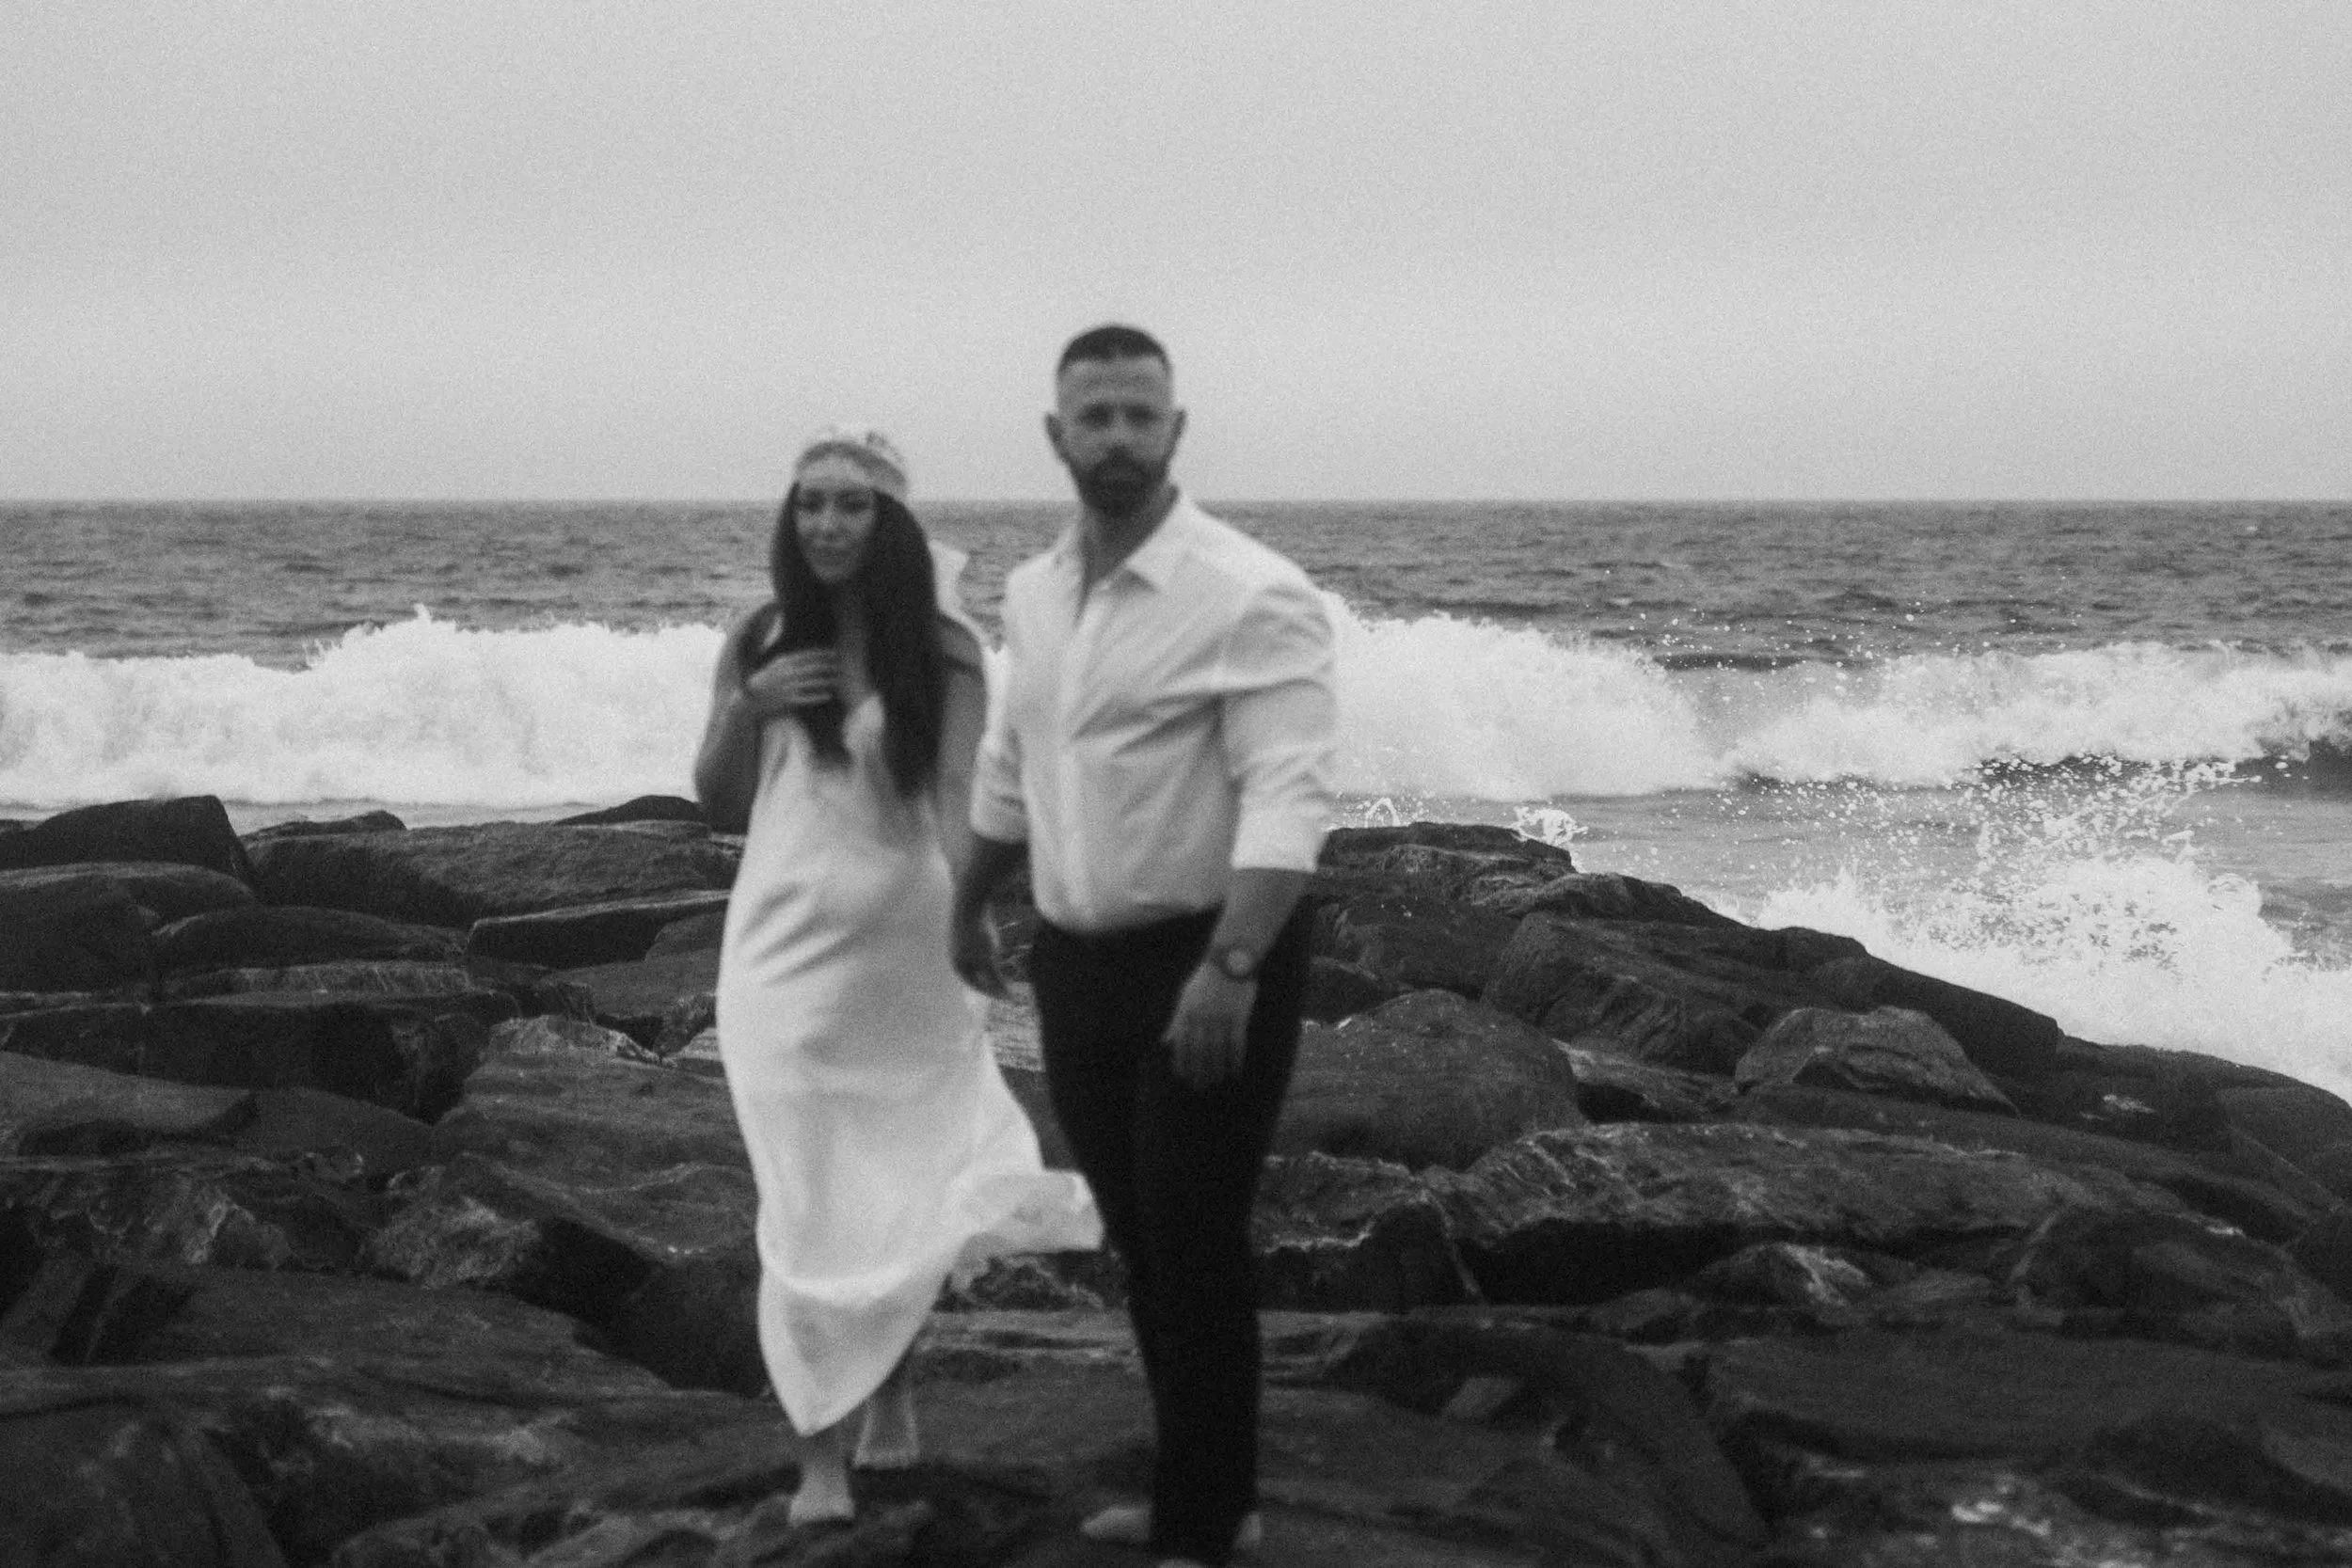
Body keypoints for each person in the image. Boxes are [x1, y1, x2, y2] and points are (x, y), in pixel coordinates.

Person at [949, 326, 1339, 1568]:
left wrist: (1230, 968)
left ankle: (1200, 1526)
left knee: (1194, 1236)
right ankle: (1208, 1496)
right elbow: (1017, 762)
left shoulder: (1252, 591)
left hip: (1211, 958)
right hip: (1076, 962)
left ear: (1176, 428)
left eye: (1138, 413)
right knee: (1137, 1232)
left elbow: (1288, 797)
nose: (1117, 434)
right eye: (1095, 414)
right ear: (1056, 435)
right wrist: (966, 900)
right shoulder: (1035, 591)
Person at [697, 425, 1100, 1526]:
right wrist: (753, 704)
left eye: (851, 505)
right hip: (776, 961)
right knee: (803, 1194)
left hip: (905, 959)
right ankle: (818, 1458)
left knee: (903, 1179)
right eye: (810, 503)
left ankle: (893, 1397)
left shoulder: (946, 650)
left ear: (891, 523)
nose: (827, 523)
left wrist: (979, 912)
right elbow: (719, 800)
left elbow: (965, 791)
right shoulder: (760, 637)